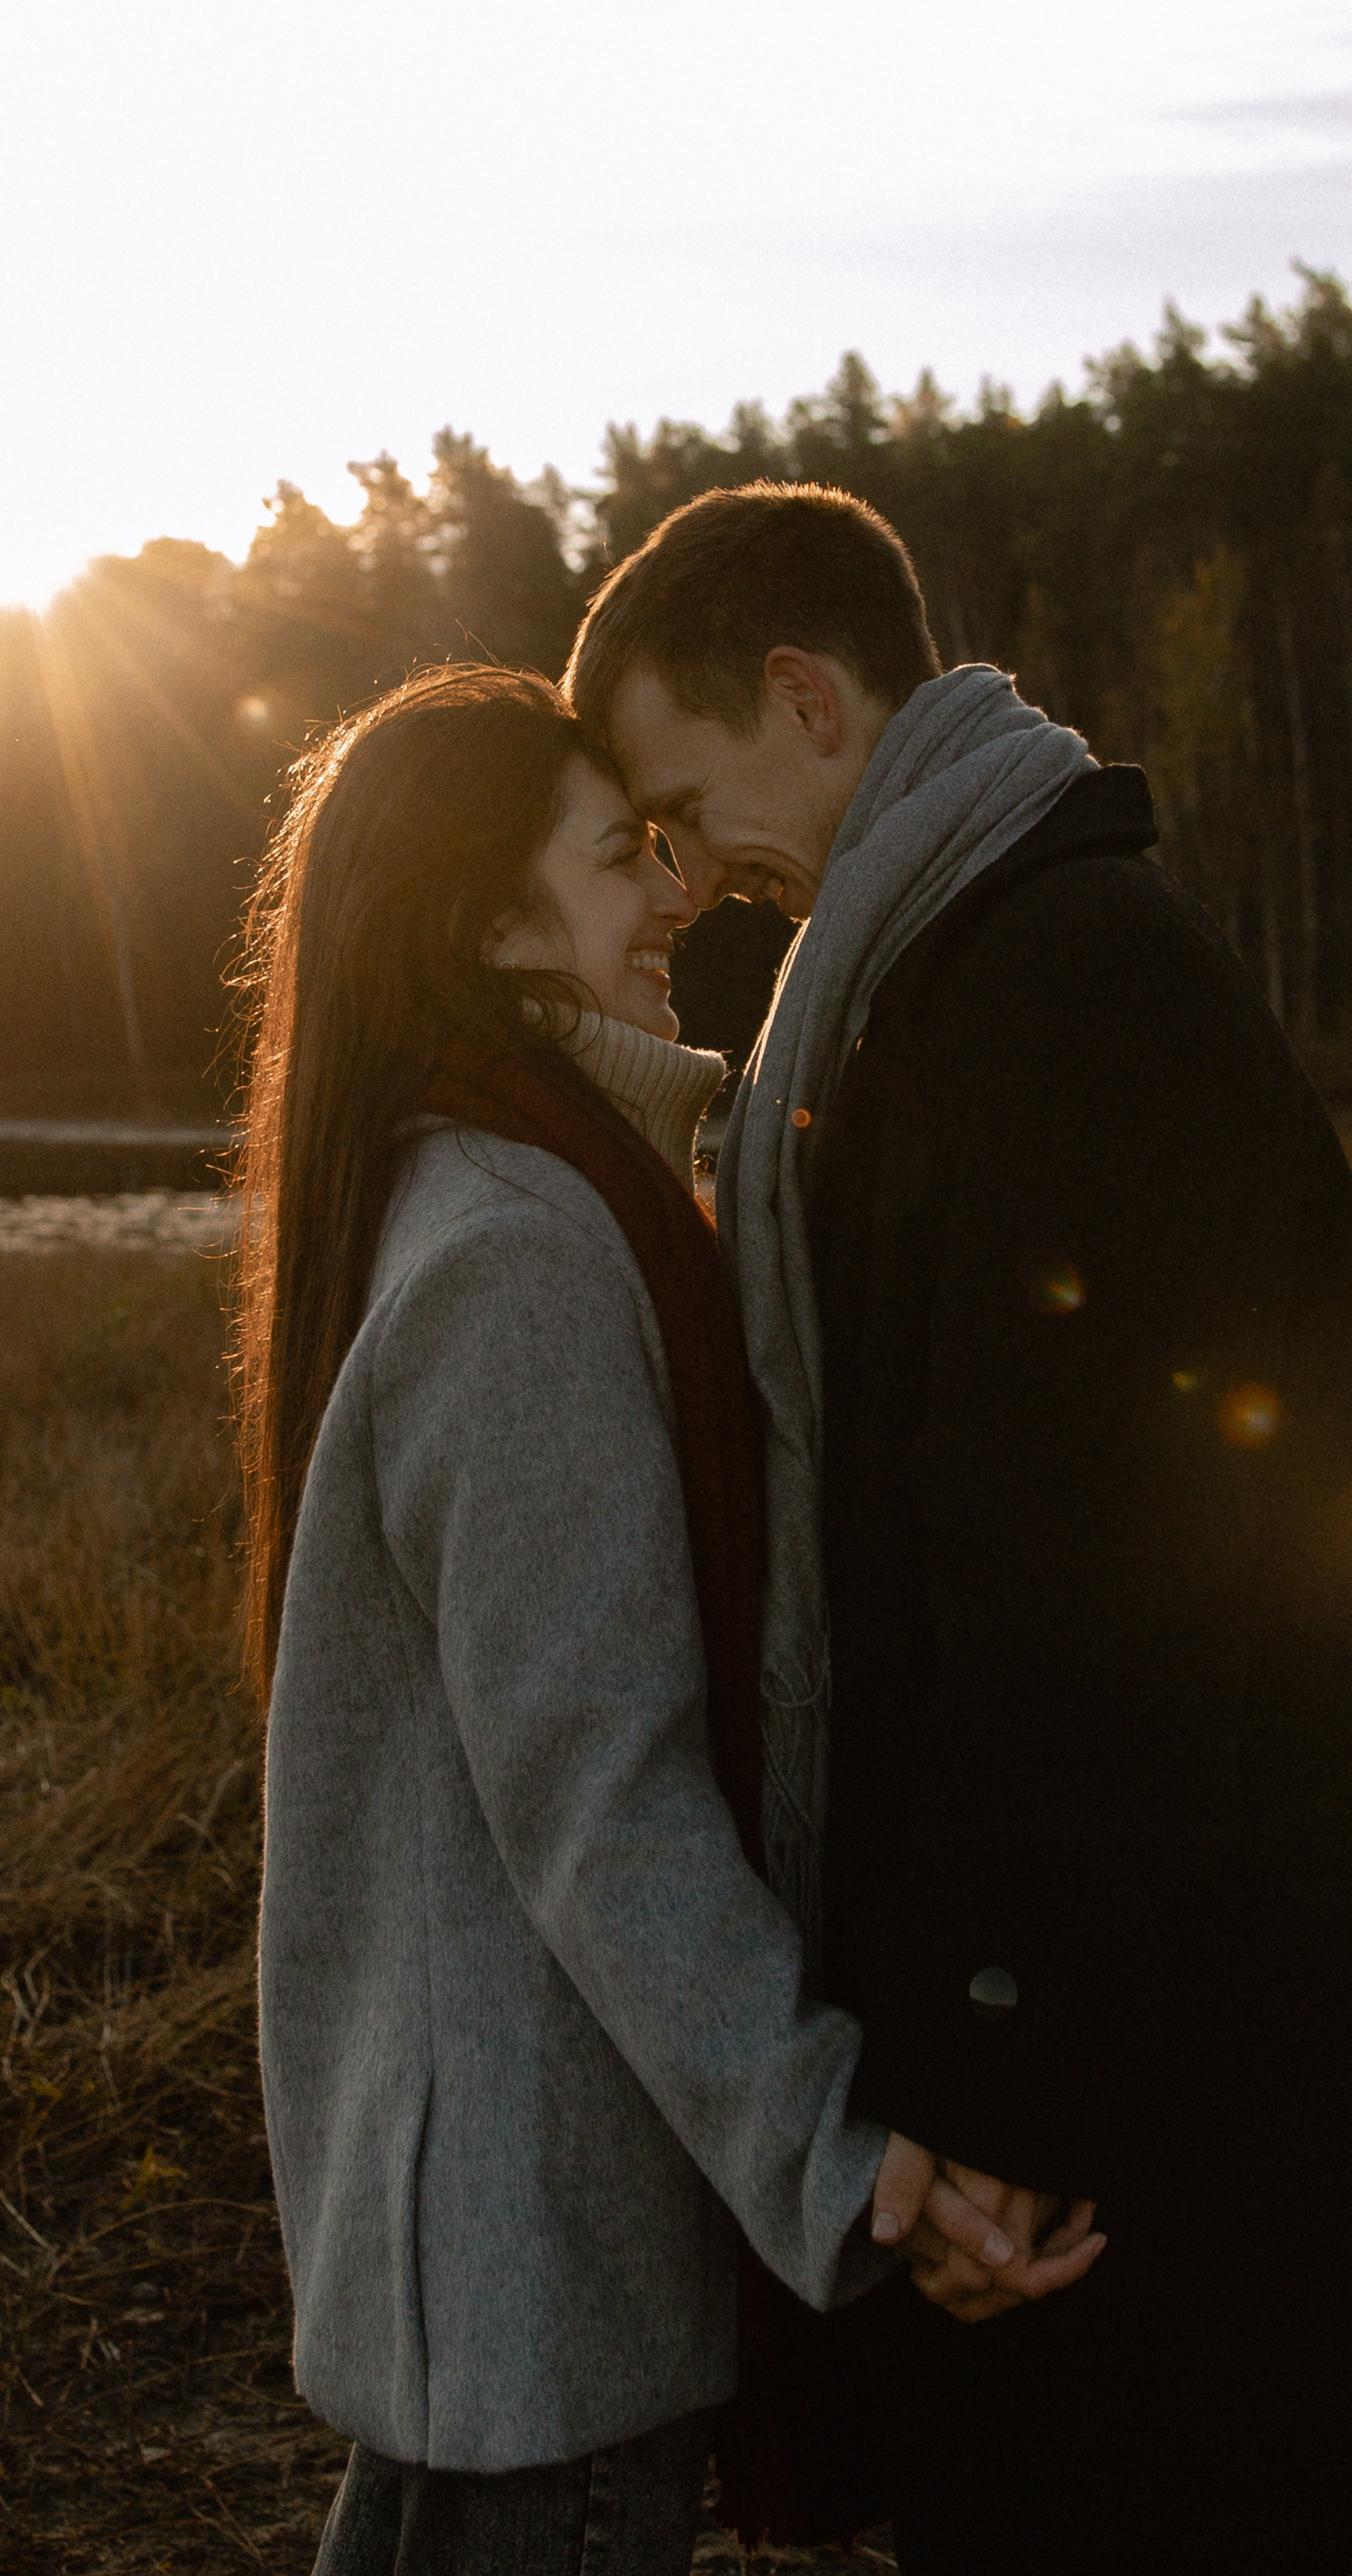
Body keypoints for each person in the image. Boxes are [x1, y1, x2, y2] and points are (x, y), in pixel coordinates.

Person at [565, 479, 1352, 2573]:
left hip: (1157, 2122)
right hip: (1123, 2065)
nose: (685, 866)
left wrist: (999, 2111)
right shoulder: (943, 968)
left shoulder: (1059, 989)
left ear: (807, 699)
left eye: (679, 794)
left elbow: (1105, 1603)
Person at [237, 663, 1098, 2576]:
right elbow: (599, 1795)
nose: (672, 897)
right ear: (482, 921)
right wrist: (839, 2160)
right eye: (620, 855)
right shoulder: (527, 1255)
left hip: (486, 2263)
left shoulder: (490, 1199)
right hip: (535, 2274)